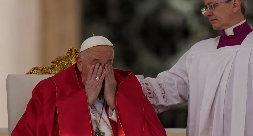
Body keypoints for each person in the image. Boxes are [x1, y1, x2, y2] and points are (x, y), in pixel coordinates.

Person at [139, 0, 253, 136]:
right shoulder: (199, 52)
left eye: (212, 6)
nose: (207, 13)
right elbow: (167, 87)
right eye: (205, 7)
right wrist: (121, 85)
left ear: (235, 5)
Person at [12, 36, 167, 136]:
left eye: (107, 64)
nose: (101, 71)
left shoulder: (127, 86)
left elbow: (154, 132)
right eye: (95, 64)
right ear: (80, 63)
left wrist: (115, 103)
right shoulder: (50, 89)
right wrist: (84, 102)